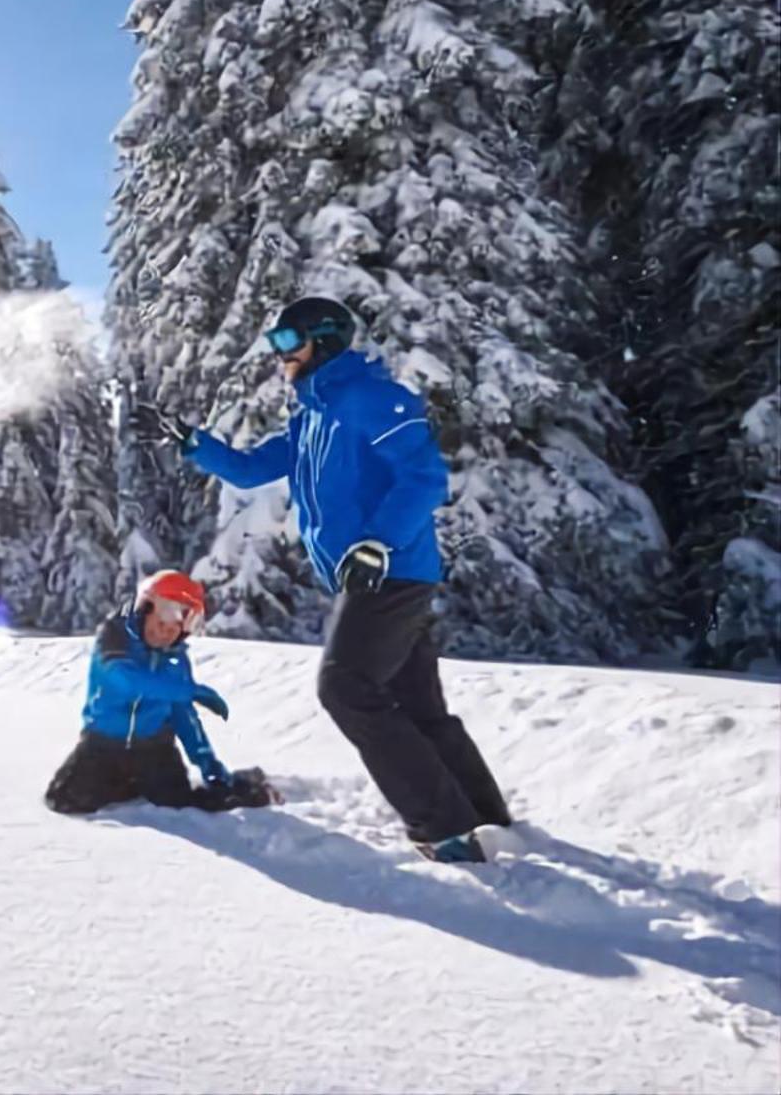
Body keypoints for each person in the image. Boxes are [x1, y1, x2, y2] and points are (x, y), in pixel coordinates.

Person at [134, 295, 510, 863]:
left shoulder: (372, 399)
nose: (278, 354)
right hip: (368, 575)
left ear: (325, 340)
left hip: (393, 571)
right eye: (274, 343)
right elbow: (250, 468)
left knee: (345, 688)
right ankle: (483, 815)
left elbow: (425, 477)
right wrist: (192, 442)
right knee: (416, 703)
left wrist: (379, 541)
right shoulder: (312, 415)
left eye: (288, 341)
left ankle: (444, 828)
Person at [45, 570, 277, 817]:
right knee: (63, 800)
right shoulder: (114, 639)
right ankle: (126, 784)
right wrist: (190, 691)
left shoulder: (176, 659)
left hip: (154, 749)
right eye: (161, 622)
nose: (166, 633)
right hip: (102, 743)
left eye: (175, 628)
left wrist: (209, 766)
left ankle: (251, 788)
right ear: (145, 610)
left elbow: (184, 717)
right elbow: (128, 681)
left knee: (180, 805)